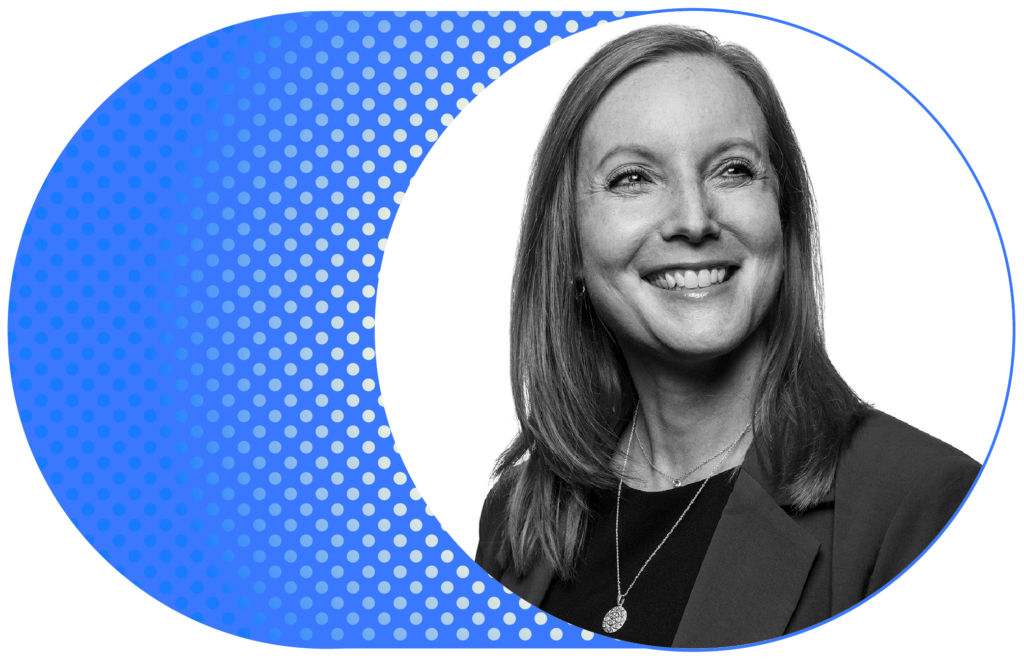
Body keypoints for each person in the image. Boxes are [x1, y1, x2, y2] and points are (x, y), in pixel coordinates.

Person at [474, 24, 981, 649]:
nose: (693, 220)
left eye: (734, 171)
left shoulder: (921, 503)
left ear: (783, 215)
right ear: (570, 243)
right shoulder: (515, 518)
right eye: (634, 177)